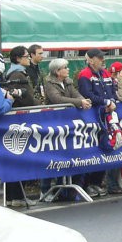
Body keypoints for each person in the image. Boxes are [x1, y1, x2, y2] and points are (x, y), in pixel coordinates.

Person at [44, 58, 93, 199]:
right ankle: (45, 189)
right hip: (54, 124)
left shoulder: (68, 82)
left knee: (68, 155)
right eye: (65, 67)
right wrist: (79, 102)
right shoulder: (49, 83)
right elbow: (57, 99)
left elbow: (76, 94)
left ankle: (67, 190)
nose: (68, 69)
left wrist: (84, 100)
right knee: (52, 157)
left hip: (69, 124)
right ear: (57, 71)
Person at [4, 46, 41, 207]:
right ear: (18, 58)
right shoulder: (17, 74)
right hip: (20, 120)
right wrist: (37, 104)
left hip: (20, 120)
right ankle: (15, 196)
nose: (28, 59)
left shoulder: (17, 72)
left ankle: (16, 195)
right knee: (18, 158)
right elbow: (25, 99)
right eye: (26, 56)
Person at [77, 48, 117, 197]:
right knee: (92, 151)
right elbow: (87, 94)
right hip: (92, 118)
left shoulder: (105, 73)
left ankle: (97, 182)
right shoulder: (85, 75)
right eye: (99, 58)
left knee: (105, 149)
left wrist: (112, 100)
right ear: (91, 59)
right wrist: (105, 101)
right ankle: (87, 184)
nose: (102, 60)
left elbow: (112, 89)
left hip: (106, 117)